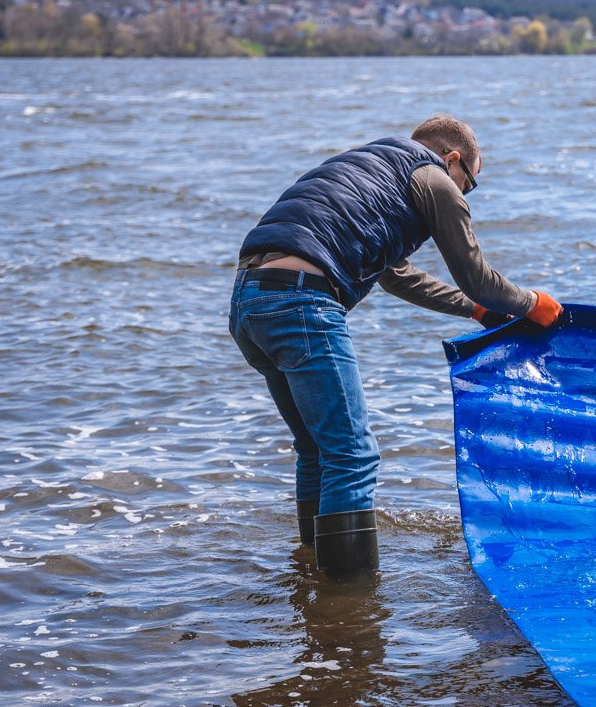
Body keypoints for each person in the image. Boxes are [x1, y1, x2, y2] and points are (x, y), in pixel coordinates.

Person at [229, 115, 562, 577]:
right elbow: (478, 278)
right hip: (302, 302)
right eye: (469, 184)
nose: (464, 196)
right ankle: (350, 599)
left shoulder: (371, 168)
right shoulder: (434, 177)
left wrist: (476, 312)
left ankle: (312, 573)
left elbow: (396, 275)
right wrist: (532, 304)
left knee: (316, 449)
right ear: (453, 160)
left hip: (250, 301)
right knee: (353, 455)